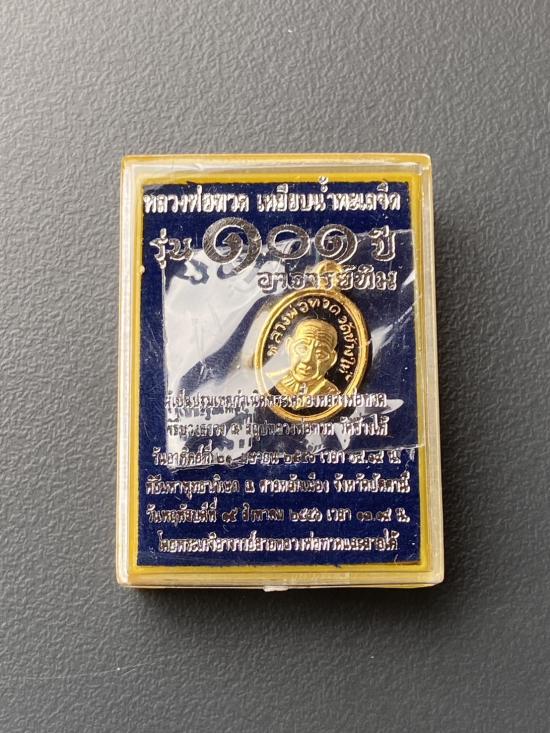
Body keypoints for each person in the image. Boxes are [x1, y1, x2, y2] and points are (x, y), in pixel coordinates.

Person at [275, 319, 339, 398]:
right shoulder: (272, 380)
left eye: (320, 354)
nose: (307, 360)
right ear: (289, 346)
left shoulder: (331, 393)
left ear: (331, 359)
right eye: (302, 349)